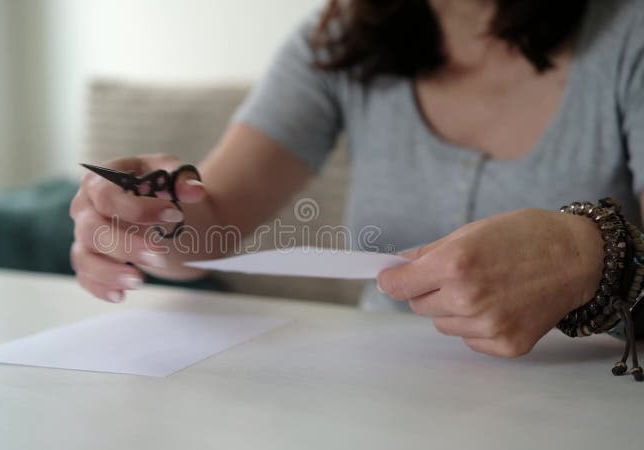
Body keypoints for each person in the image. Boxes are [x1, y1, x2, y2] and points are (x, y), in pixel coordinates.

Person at [69, 0, 644, 360]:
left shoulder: (628, 34)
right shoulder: (338, 39)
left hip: (591, 394)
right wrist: (150, 218)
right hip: (380, 394)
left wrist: (585, 252)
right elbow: (210, 224)